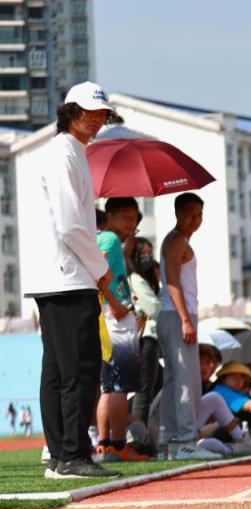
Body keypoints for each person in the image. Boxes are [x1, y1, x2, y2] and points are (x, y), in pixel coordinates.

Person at [24, 82, 123, 478]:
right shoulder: (64, 154)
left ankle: (60, 454)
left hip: (61, 275)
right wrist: (101, 270)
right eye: (89, 113)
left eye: (102, 115)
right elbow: (70, 225)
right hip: (67, 276)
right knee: (78, 368)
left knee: (59, 368)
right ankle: (72, 455)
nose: (96, 120)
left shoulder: (71, 152)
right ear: (71, 113)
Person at [157, 192, 219, 460]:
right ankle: (184, 441)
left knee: (176, 380)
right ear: (177, 214)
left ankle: (170, 442)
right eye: (189, 214)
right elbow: (172, 281)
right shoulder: (175, 241)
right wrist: (185, 319)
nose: (195, 219)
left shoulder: (178, 240)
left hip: (177, 314)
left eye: (199, 214)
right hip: (176, 314)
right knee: (185, 381)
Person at [95, 197, 146, 461]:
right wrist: (115, 304)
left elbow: (110, 269)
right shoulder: (110, 239)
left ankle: (105, 444)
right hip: (116, 315)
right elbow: (98, 271)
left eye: (134, 216)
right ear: (110, 216)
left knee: (108, 386)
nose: (131, 221)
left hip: (110, 314)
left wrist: (126, 252)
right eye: (125, 215)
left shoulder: (110, 240)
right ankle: (118, 445)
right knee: (120, 386)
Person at [128, 236, 163, 427]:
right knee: (143, 393)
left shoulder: (144, 280)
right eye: (143, 253)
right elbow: (154, 308)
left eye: (150, 253)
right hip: (145, 340)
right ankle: (137, 435)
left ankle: (141, 432)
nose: (147, 257)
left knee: (147, 392)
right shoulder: (136, 279)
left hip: (147, 338)